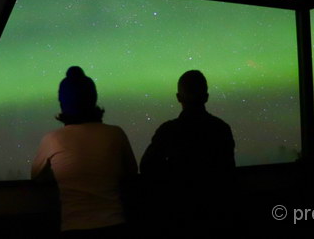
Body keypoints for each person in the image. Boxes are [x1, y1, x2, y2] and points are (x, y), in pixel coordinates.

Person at [32, 66, 137, 238]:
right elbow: (131, 172)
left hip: (73, 227)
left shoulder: (52, 139)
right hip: (115, 225)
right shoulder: (115, 134)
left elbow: (36, 176)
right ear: (93, 99)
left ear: (63, 103)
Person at [140, 70, 235, 237]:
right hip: (218, 217)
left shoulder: (167, 132)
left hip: (177, 218)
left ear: (178, 97)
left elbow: (147, 168)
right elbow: (228, 173)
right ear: (206, 97)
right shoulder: (221, 129)